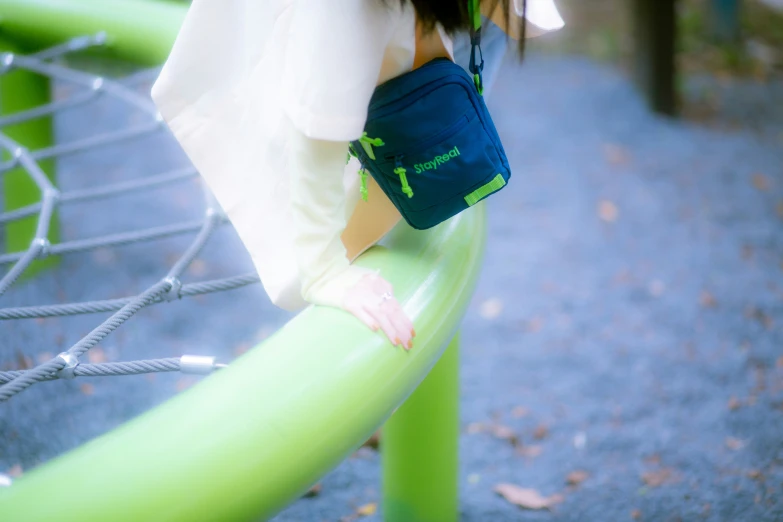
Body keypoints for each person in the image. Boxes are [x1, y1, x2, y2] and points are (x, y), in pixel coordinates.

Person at [151, 0, 564, 350]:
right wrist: (324, 270)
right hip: (316, 67)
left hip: (394, 35)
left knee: (427, 94)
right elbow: (318, 124)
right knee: (329, 221)